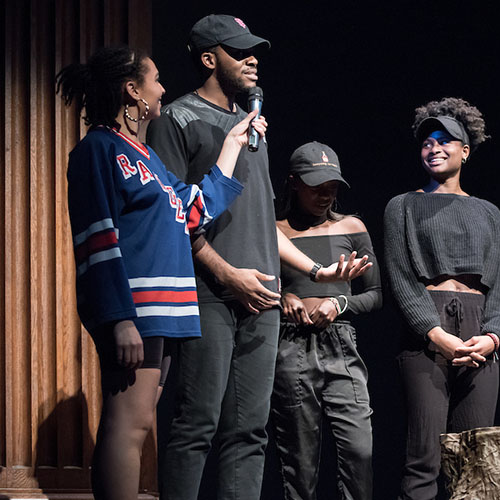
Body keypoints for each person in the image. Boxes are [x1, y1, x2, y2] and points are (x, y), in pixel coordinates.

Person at [146, 15, 367, 499]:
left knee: (249, 432)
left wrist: (315, 270)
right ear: (209, 59)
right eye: (238, 51)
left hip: (263, 298)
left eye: (255, 52)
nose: (252, 60)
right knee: (197, 423)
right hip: (210, 293)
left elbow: (261, 222)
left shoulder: (252, 129)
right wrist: (227, 276)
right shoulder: (177, 120)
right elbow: (172, 215)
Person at [57, 45, 264, 500]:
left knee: (140, 420)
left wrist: (231, 142)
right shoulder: (99, 149)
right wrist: (119, 318)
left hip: (163, 310)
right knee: (126, 424)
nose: (163, 88)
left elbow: (194, 210)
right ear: (132, 91)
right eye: (155, 79)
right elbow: (98, 238)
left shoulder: (146, 156)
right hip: (135, 309)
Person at [383, 97, 500, 500]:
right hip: (429, 330)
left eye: (445, 141)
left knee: (475, 459)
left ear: (465, 150)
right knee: (425, 457)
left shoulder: (488, 212)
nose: (434, 148)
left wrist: (492, 337)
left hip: (479, 333)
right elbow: (402, 278)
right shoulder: (402, 206)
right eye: (427, 142)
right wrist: (436, 334)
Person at [270, 142, 381, 500]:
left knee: (359, 451)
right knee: (299, 460)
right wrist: (283, 298)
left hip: (341, 344)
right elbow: (259, 286)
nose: (325, 195)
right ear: (294, 182)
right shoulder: (275, 230)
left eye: (332, 187)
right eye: (317, 186)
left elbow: (376, 294)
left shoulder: (352, 226)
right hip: (291, 344)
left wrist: (338, 302)